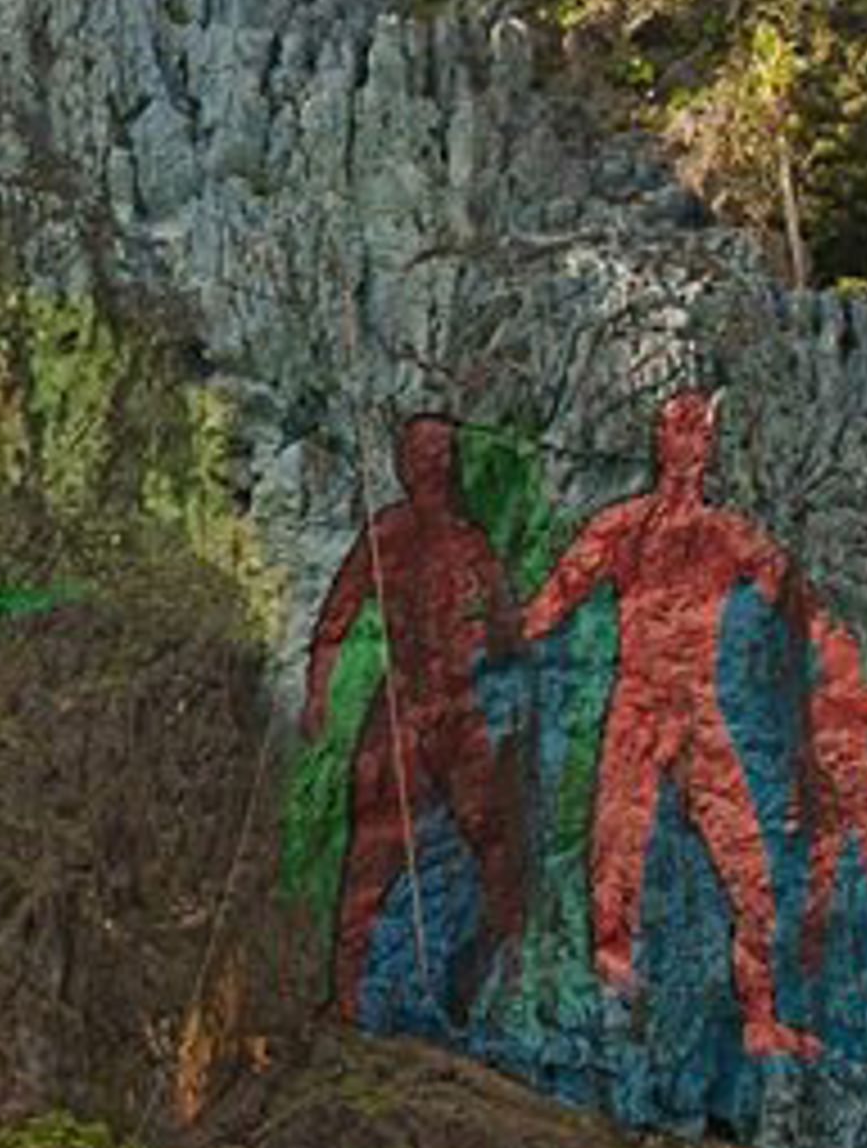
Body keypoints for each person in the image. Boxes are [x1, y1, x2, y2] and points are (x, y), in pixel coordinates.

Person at [521, 391, 817, 1060]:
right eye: (678, 430)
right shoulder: (623, 527)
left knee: (749, 868)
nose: (689, 444)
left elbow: (790, 607)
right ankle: (609, 960)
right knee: (616, 843)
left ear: (710, 446)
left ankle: (761, 1014)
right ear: (660, 440)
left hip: (698, 707)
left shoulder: (730, 535)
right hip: (638, 700)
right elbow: (550, 605)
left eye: (699, 432)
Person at [305, 416, 521, 1022]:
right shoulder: (389, 534)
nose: (429, 465)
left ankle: (483, 978)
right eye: (419, 453)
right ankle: (345, 996)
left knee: (497, 845)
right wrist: (318, 697)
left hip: (458, 708)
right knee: (372, 847)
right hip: (402, 702)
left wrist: (501, 657)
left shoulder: (470, 542)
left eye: (440, 454)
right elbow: (333, 623)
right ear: (403, 461)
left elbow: (510, 632)